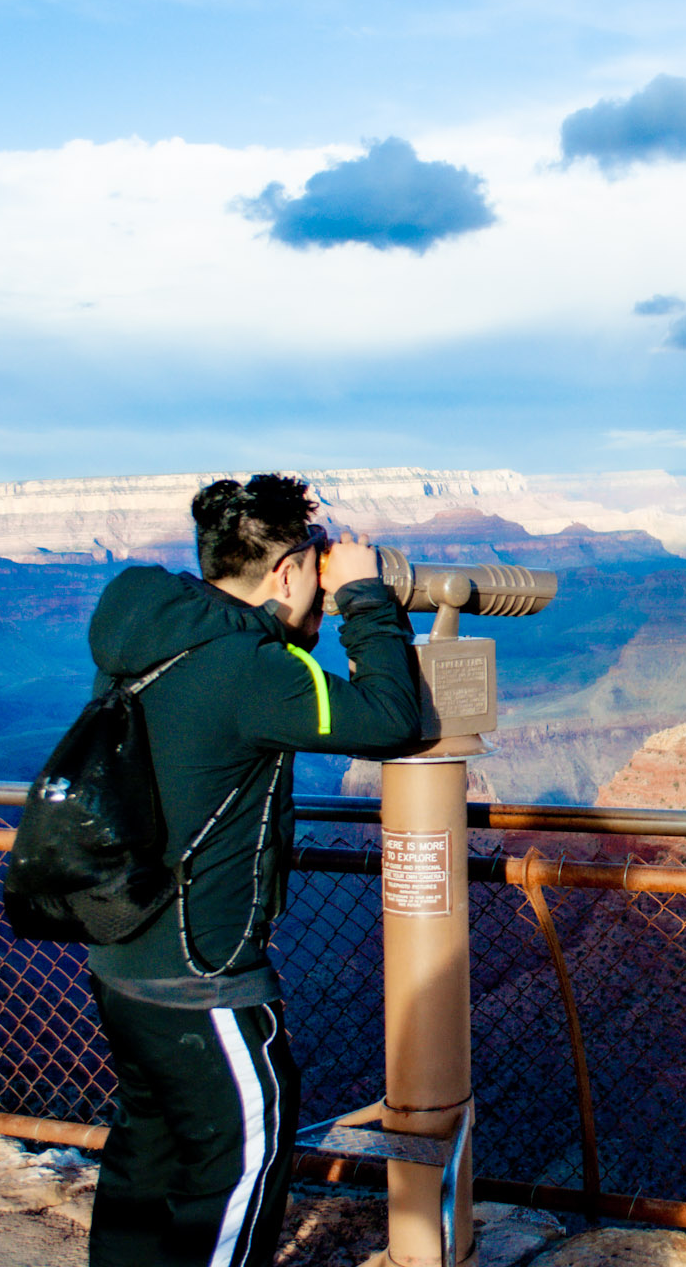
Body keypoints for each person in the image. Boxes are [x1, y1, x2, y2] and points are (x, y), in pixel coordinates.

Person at [82, 473, 420, 1267]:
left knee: (147, 1156)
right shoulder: (252, 670)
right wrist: (364, 598)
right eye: (315, 570)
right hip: (203, 974)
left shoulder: (155, 634)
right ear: (288, 570)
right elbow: (391, 720)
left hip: (123, 956)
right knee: (237, 1167)